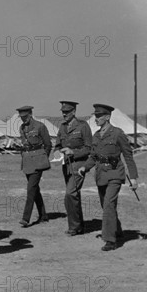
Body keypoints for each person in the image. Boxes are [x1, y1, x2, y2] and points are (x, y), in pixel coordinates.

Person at [78, 104, 138, 251]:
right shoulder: (96, 136)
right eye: (95, 116)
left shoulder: (118, 133)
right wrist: (85, 167)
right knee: (106, 205)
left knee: (108, 205)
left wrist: (134, 177)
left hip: (115, 173)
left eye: (98, 116)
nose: (96, 119)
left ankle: (110, 240)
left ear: (107, 117)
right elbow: (93, 156)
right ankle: (117, 231)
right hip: (101, 175)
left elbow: (128, 156)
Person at [55, 101, 93, 236]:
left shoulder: (83, 126)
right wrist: (58, 152)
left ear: (74, 112)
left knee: (70, 194)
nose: (64, 114)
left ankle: (74, 227)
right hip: (66, 166)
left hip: (79, 165)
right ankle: (79, 226)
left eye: (67, 112)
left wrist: (73, 152)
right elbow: (58, 144)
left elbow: (89, 148)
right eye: (63, 112)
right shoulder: (62, 127)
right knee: (74, 195)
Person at [17, 106, 52, 227]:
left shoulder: (40, 126)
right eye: (21, 117)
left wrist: (42, 158)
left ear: (31, 114)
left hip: (38, 162)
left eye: (25, 117)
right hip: (27, 162)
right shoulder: (22, 128)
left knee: (30, 189)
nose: (23, 120)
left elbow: (48, 144)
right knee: (35, 189)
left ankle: (25, 218)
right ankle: (43, 215)